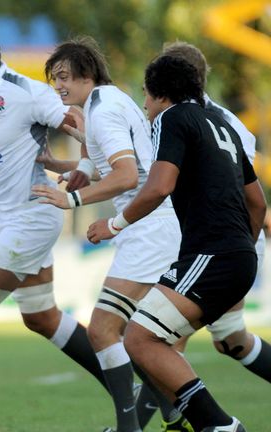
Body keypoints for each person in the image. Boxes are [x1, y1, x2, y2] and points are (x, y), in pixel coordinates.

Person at [87, 55, 266, 432]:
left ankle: (218, 424)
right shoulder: (222, 123)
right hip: (236, 255)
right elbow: (258, 203)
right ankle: (199, 423)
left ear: (159, 93)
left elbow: (159, 186)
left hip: (212, 254)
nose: (145, 107)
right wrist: (242, 253)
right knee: (158, 339)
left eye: (146, 97)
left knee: (138, 337)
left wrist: (114, 224)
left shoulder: (172, 118)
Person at [0, 27, 106, 430]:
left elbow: (83, 122)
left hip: (34, 217)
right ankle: (129, 384)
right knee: (41, 317)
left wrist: (86, 164)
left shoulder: (24, 91)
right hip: (12, 221)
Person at [32, 36, 181, 432]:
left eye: (63, 76)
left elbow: (128, 175)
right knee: (139, 338)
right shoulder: (113, 101)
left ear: (87, 74)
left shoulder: (103, 111)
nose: (58, 86)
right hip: (153, 226)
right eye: (54, 79)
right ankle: (175, 410)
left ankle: (133, 425)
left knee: (103, 330)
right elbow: (121, 163)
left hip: (148, 229)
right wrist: (64, 163)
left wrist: (73, 201)